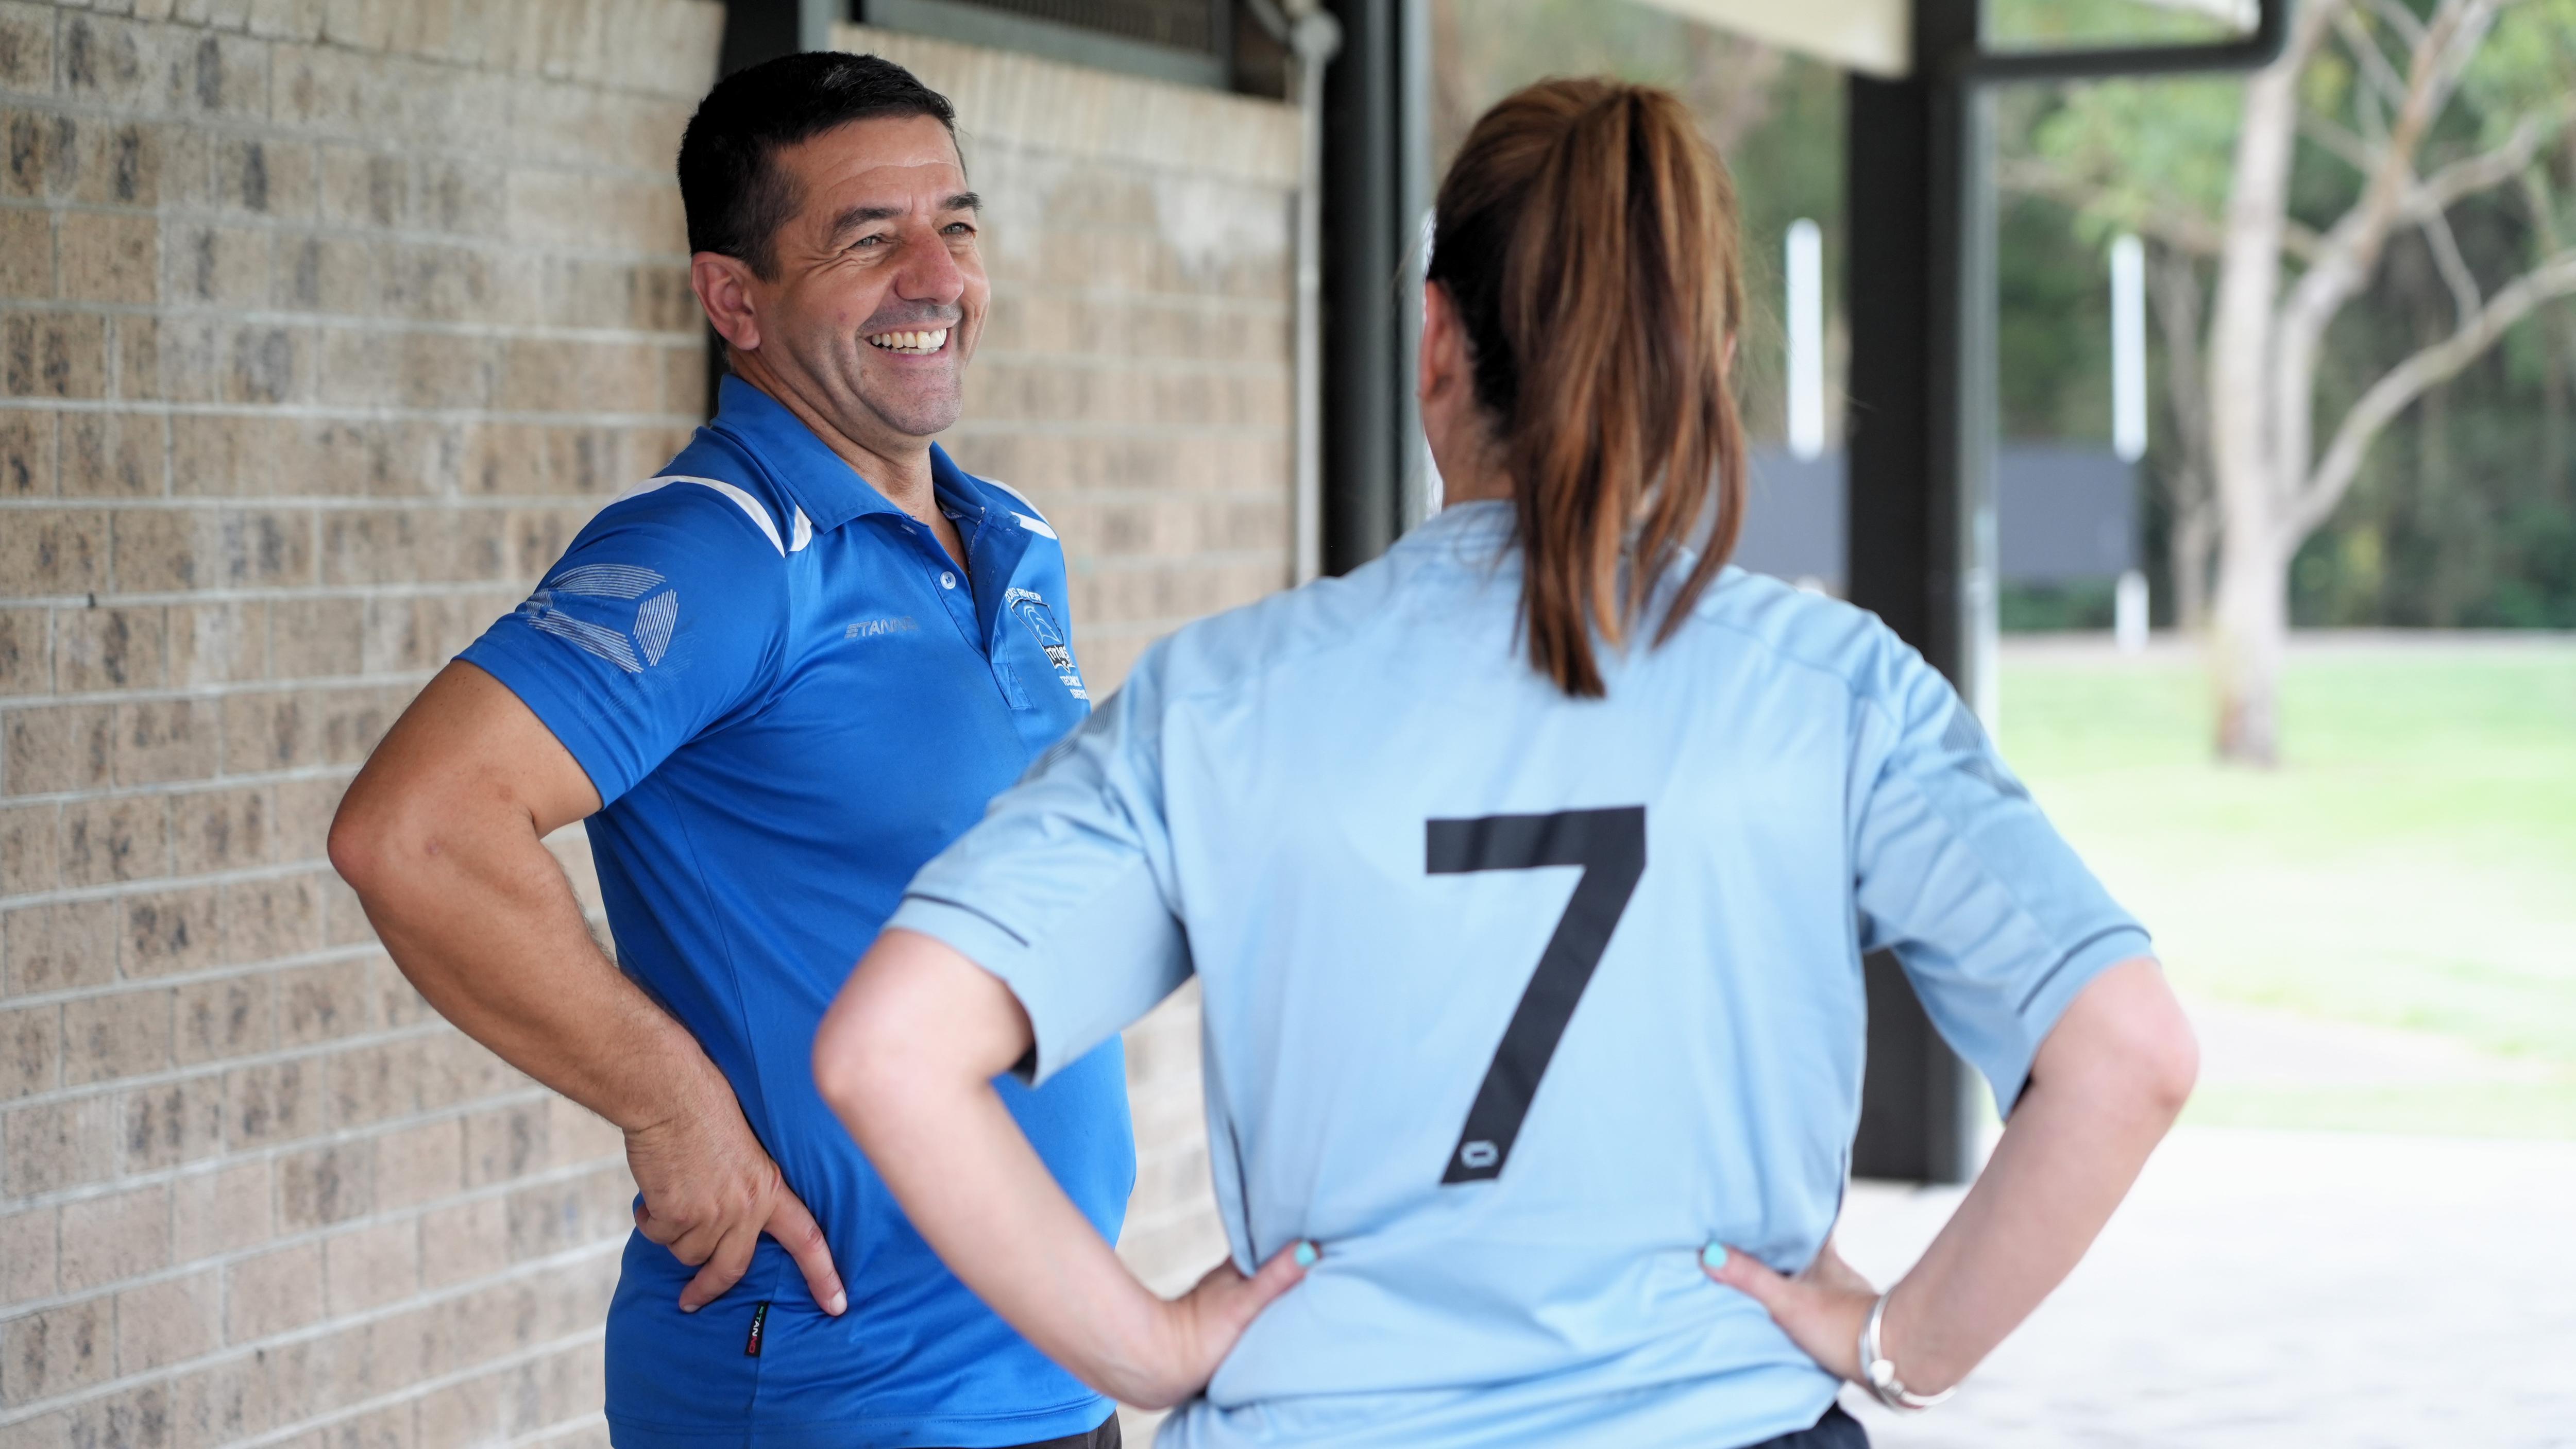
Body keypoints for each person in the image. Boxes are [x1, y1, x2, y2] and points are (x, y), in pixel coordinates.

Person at [810, 77, 2201, 1448]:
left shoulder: (1222, 700)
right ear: (1708, 360)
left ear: (1434, 344)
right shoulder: (1834, 693)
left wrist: (1145, 1343)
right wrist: (1908, 1342)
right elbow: (2126, 1049)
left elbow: (892, 1049)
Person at [329, 53, 1133, 1449]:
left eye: (956, 223)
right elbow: (417, 832)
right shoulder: (724, 544)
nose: (936, 276)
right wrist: (673, 1104)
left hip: (1041, 1373)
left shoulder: (1013, 540)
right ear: (734, 298)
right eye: (868, 239)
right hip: (836, 1390)